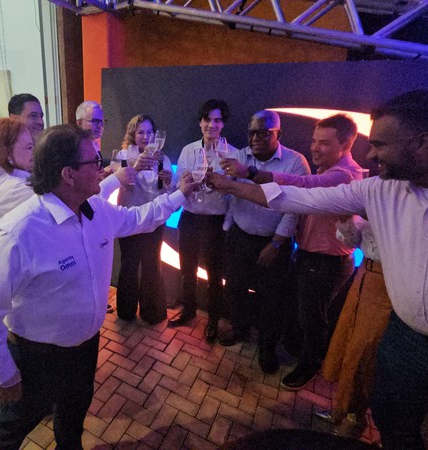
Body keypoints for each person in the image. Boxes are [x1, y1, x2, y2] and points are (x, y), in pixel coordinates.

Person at [206, 90, 428, 449]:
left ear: (423, 143)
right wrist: (230, 185)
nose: (370, 155)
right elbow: (297, 196)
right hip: (406, 342)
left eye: (379, 145)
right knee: (396, 431)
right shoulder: (380, 189)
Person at [0, 125, 199, 449]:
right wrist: (2, 372)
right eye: (94, 161)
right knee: (8, 431)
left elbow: (140, 218)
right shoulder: (19, 232)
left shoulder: (97, 210)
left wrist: (180, 193)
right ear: (68, 175)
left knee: (73, 419)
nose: (102, 167)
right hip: (37, 357)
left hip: (85, 348)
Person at [221, 113, 364, 389]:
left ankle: (282, 355)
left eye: (324, 143)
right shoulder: (326, 169)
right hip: (278, 247)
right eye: (314, 141)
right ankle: (243, 330)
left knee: (287, 307)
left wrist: (276, 242)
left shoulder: (340, 174)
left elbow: (295, 195)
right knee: (241, 289)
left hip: (317, 258)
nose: (315, 148)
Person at [215, 110, 310, 373]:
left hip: (273, 241)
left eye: (263, 133)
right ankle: (240, 328)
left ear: (278, 133)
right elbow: (230, 194)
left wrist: (276, 244)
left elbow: (294, 208)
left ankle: (267, 346)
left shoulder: (295, 162)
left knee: (272, 298)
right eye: (252, 132)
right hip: (240, 235)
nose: (255, 138)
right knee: (235, 287)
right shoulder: (238, 156)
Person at [0, 117, 134, 238]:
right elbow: (74, 203)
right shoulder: (13, 189)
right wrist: (115, 180)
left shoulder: (9, 181)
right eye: (29, 147)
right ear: (7, 154)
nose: (35, 153)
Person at [168, 99, 239, 342]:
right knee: (187, 269)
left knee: (214, 275)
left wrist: (226, 222)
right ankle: (188, 310)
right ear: (200, 122)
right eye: (207, 119)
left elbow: (236, 194)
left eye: (217, 120)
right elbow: (177, 183)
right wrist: (186, 183)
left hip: (215, 221)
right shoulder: (189, 150)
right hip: (189, 217)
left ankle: (213, 320)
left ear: (223, 124)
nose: (212, 125)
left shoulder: (232, 154)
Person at [317, 217, 392, 438]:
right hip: (364, 274)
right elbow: (352, 241)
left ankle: (355, 418)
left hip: (387, 283)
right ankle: (341, 409)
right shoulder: (375, 200)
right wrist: (345, 217)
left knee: (364, 352)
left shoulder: (410, 211)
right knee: (346, 342)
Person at [115, 114, 175, 324]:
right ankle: (126, 312)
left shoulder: (163, 159)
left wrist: (169, 181)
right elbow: (117, 182)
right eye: (140, 132)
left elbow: (169, 192)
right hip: (129, 219)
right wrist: (136, 167)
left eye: (149, 132)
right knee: (129, 264)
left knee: (152, 264)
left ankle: (151, 312)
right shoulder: (123, 156)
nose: (145, 136)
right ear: (133, 134)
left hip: (154, 221)